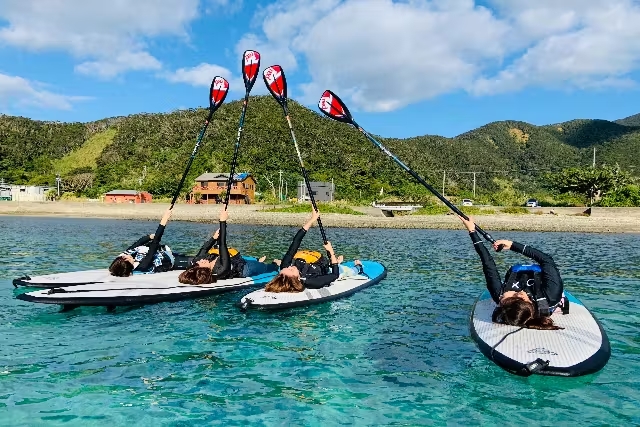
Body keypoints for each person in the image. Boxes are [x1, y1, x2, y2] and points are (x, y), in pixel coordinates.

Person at [458, 215, 565, 330]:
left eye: (501, 300)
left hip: (529, 283)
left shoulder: (499, 295)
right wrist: (513, 245)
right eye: (506, 296)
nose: (501, 296)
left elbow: (488, 264)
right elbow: (546, 260)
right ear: (522, 296)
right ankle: (562, 301)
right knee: (554, 282)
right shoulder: (551, 295)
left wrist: (472, 231)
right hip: (545, 286)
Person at [177, 210, 278, 285]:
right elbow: (222, 245)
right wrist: (222, 222)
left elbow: (204, 249)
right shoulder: (220, 270)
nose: (200, 261)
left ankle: (258, 260)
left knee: (243, 257)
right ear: (205, 271)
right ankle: (275, 263)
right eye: (200, 264)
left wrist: (213, 238)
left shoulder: (200, 261)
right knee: (268, 267)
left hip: (235, 259)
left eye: (197, 263)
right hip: (244, 268)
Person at [264, 209, 344, 293]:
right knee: (338, 270)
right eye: (291, 270)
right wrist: (331, 252)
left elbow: (296, 242)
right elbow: (335, 275)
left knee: (284, 262)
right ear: (297, 279)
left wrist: (312, 219)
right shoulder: (312, 282)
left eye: (287, 268)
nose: (290, 266)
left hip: (308, 258)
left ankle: (335, 262)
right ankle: (352, 265)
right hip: (324, 267)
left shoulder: (285, 267)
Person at [109, 208, 189, 277]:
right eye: (128, 259)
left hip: (163, 251)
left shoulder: (121, 259)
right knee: (196, 261)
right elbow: (154, 245)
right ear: (129, 264)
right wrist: (164, 219)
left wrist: (149, 237)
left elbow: (137, 244)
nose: (128, 256)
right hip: (171, 261)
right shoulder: (142, 266)